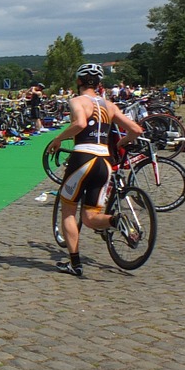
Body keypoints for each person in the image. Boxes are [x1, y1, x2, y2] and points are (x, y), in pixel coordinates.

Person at [45, 63, 144, 278]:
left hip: (83, 158)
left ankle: (75, 263)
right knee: (90, 217)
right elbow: (136, 129)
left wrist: (58, 139)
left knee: (69, 209)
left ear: (79, 81)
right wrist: (119, 144)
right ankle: (115, 220)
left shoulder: (77, 101)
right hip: (104, 162)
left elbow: (80, 124)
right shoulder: (110, 106)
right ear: (99, 83)